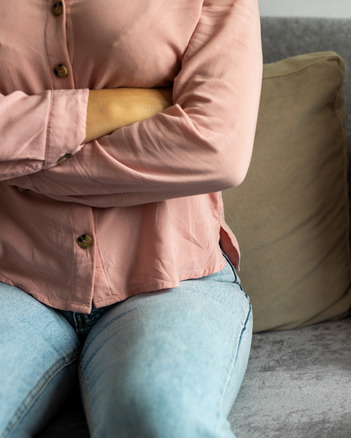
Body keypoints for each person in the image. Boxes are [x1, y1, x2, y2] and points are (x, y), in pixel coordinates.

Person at [0, 1, 262, 437]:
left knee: (163, 419)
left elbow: (216, 149)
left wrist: (24, 169)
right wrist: (118, 108)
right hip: (12, 277)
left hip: (174, 280)